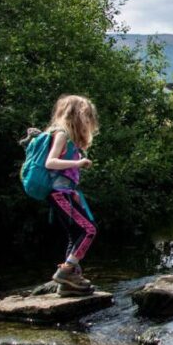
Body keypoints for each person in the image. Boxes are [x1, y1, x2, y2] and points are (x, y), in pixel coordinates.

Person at [43, 94, 100, 296]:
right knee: (89, 230)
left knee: (75, 234)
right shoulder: (62, 135)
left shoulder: (68, 138)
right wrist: (78, 163)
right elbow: (50, 163)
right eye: (85, 117)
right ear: (74, 115)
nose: (88, 122)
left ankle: (67, 285)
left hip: (66, 193)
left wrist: (73, 191)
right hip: (58, 194)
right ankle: (65, 271)